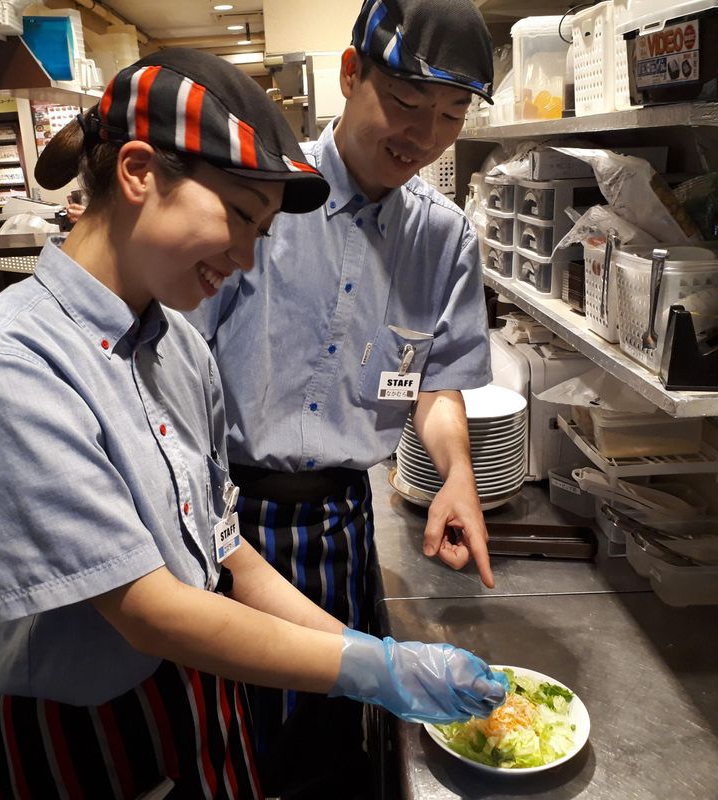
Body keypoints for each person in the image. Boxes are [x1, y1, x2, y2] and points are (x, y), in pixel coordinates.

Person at [0, 48, 508, 799]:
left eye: (260, 232)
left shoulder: (177, 348)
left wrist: (365, 649)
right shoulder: (7, 367)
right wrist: (375, 670)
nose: (246, 259)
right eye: (239, 215)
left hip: (199, 698)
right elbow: (150, 611)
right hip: (83, 730)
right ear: (139, 172)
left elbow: (226, 552)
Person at [190, 0, 498, 795]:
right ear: (350, 73)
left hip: (341, 525)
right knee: (229, 747)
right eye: (405, 102)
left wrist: (457, 476)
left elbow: (436, 382)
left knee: (326, 750)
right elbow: (179, 368)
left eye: (451, 114)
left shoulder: (445, 237)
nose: (423, 136)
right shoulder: (259, 199)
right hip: (227, 518)